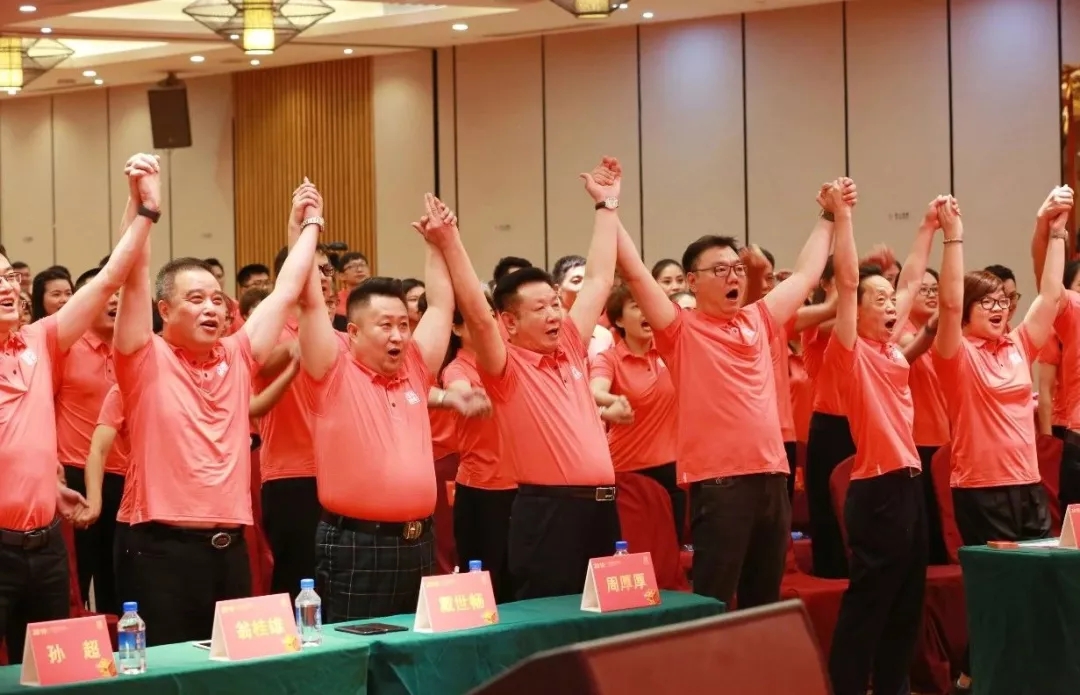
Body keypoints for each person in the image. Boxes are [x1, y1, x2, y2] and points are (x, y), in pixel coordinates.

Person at [614, 177, 851, 608]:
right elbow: (633, 271)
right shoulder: (679, 329)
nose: (733, 276)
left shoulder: (760, 318)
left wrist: (828, 216)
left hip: (772, 478)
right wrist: (608, 205)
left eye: (737, 268)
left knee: (765, 600)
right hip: (720, 486)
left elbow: (805, 275)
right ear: (692, 280)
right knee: (714, 600)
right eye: (719, 269)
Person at [112, 175, 325, 646]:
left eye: (216, 300)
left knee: (231, 666)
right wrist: (143, 208)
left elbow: (286, 289)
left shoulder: (239, 354)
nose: (211, 308)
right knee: (167, 670)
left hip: (229, 550)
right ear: (164, 310)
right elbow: (131, 274)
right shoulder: (142, 356)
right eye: (195, 299)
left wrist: (309, 224)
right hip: (158, 550)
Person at [431, 159, 621, 600]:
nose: (555, 313)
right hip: (548, 513)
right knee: (552, 621)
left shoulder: (570, 343)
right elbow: (478, 314)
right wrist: (451, 240)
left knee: (610, 620)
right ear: (510, 322)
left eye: (555, 303)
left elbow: (599, 278)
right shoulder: (506, 367)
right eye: (540, 308)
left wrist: (607, 205)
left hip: (602, 507)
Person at [297, 194, 488, 621]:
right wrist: (305, 228)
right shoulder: (331, 369)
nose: (398, 335)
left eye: (403, 324)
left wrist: (437, 243)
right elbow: (308, 302)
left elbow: (442, 305)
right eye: (385, 326)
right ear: (353, 332)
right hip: (357, 545)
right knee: (357, 652)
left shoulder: (415, 368)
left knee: (418, 649)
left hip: (419, 541)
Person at [0, 152, 159, 663]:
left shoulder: (39, 340)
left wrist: (142, 210)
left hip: (45, 544)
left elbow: (109, 279)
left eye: (8, 277)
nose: (7, 288)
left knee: (52, 669)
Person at [936, 188, 1070, 692]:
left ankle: (1008, 676)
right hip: (982, 489)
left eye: (1002, 301)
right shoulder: (957, 354)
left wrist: (1056, 231)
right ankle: (975, 677)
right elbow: (949, 301)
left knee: (1037, 584)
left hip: (1027, 485)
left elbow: (1051, 296)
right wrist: (953, 236)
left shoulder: (1017, 345)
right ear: (968, 311)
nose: (998, 309)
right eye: (986, 303)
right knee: (1000, 592)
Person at [825, 189, 936, 695]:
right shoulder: (849, 351)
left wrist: (928, 226)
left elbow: (910, 279)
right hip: (877, 489)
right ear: (857, 308)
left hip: (909, 483)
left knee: (908, 600)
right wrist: (843, 215)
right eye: (880, 300)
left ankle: (893, 687)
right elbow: (849, 281)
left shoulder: (891, 349)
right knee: (870, 603)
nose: (892, 304)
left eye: (892, 300)